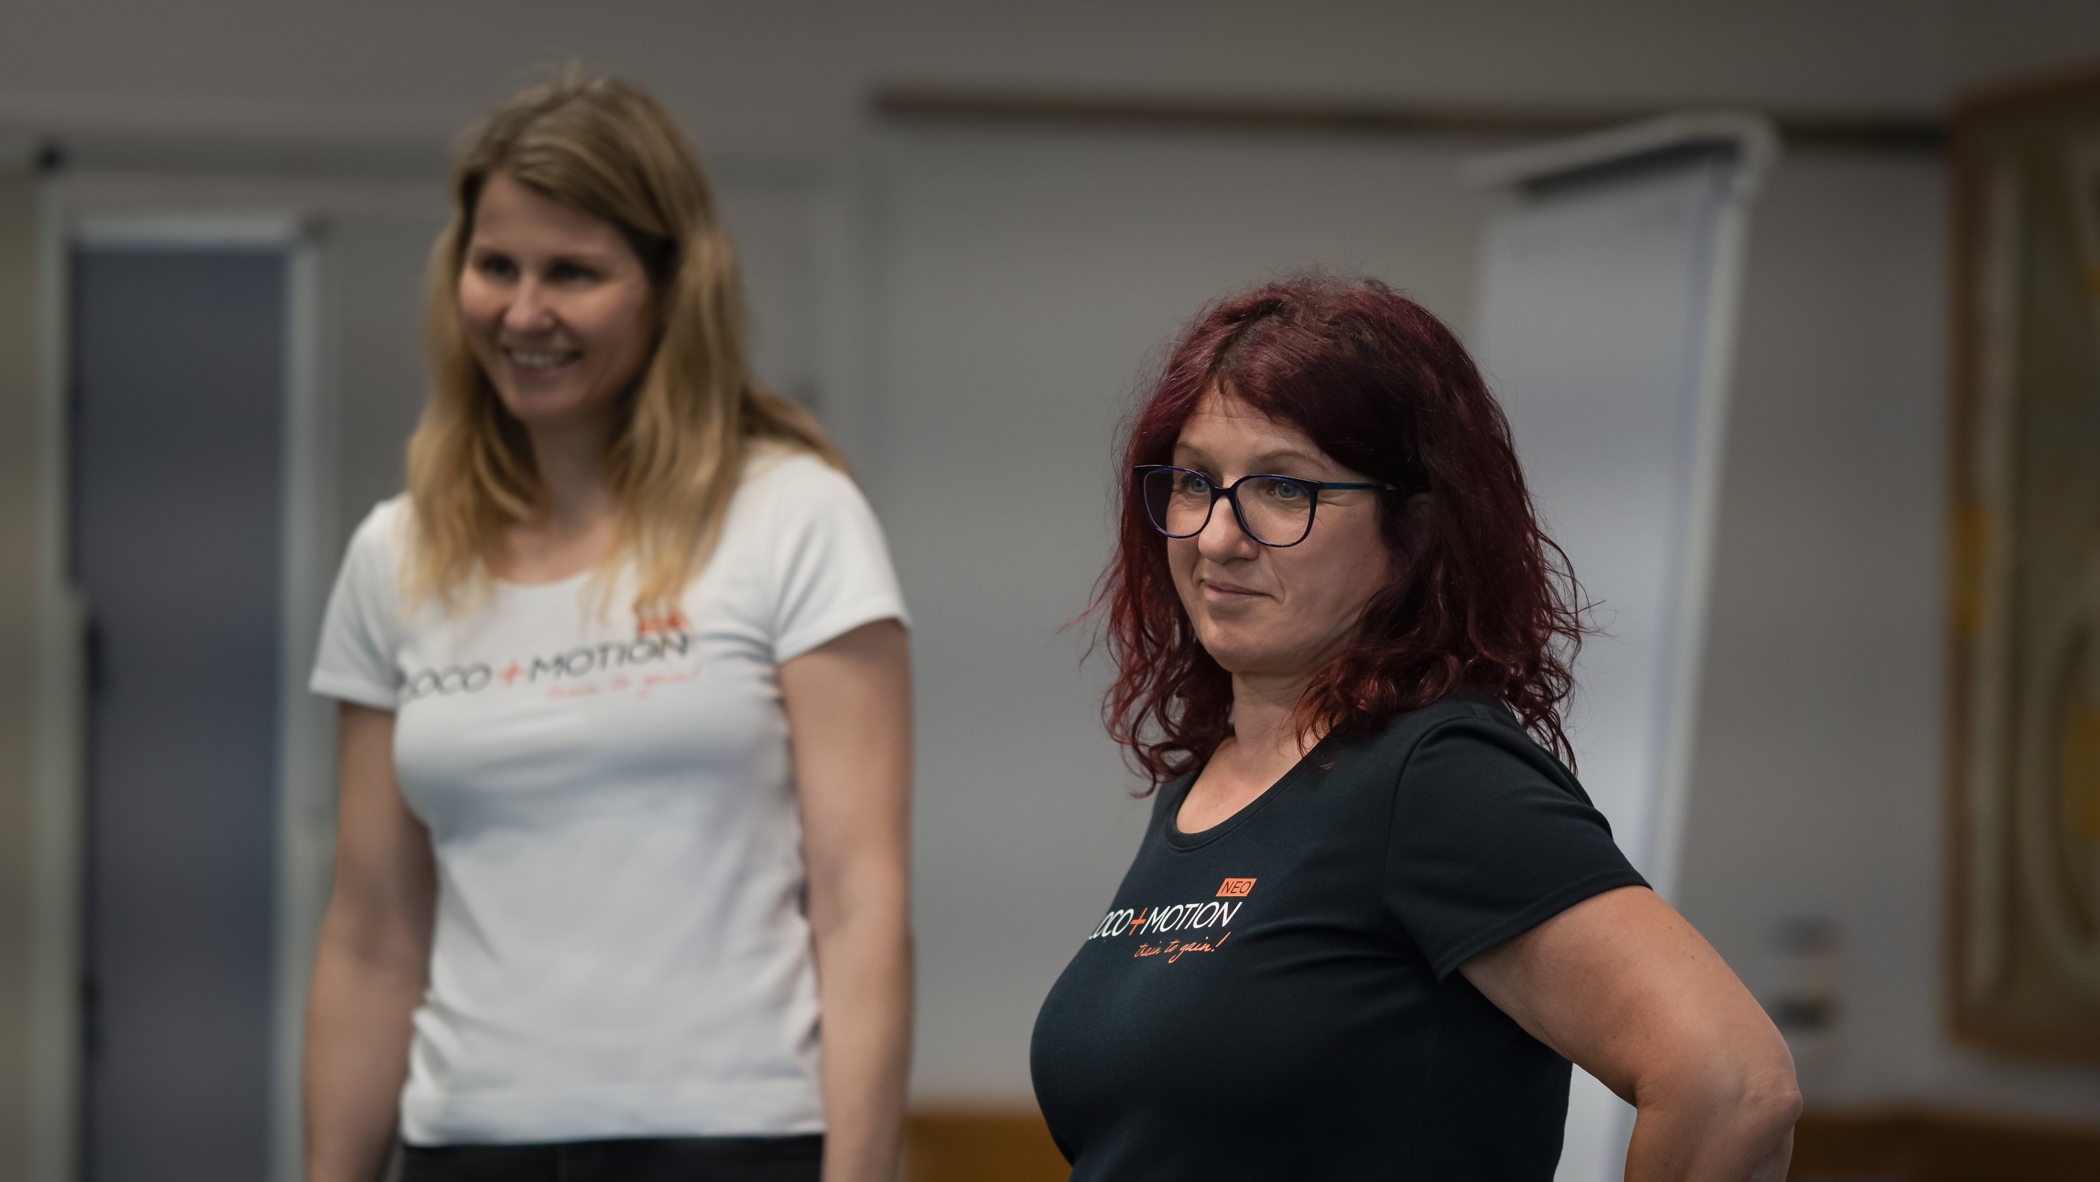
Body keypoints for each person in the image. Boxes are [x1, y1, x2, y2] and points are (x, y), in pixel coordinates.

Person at [1030, 276, 1800, 1180]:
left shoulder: (1434, 776)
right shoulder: (1206, 784)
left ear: (1414, 529)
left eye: (1283, 488)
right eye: (1195, 481)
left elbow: (1731, 1084)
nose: (1216, 537)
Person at [304, 76, 912, 1182]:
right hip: (467, 1146)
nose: (523, 313)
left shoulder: (793, 516)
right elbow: (371, 938)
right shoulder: (395, 556)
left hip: (731, 1141)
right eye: (496, 266)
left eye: (573, 273)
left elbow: (861, 904)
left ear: (670, 290)